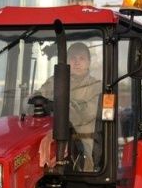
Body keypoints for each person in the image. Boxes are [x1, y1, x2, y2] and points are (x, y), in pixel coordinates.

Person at [37, 41, 102, 170]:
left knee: (79, 161)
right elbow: (34, 100)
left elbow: (84, 115)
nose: (77, 62)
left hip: (82, 142)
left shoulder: (96, 87)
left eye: (82, 58)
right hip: (50, 138)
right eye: (73, 58)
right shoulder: (54, 81)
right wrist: (37, 102)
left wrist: (56, 106)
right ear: (66, 61)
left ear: (89, 62)